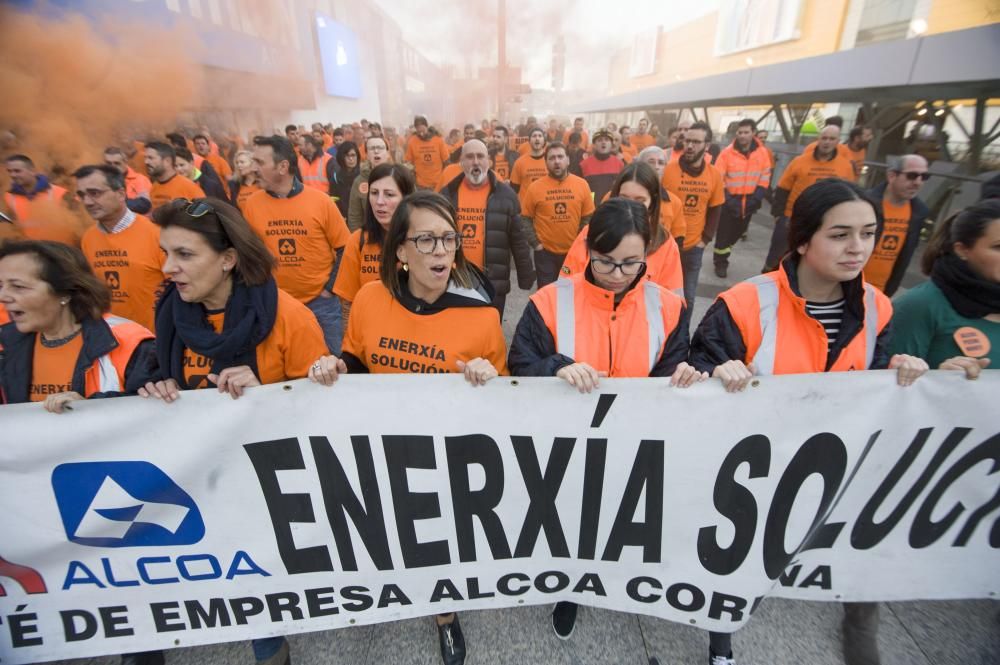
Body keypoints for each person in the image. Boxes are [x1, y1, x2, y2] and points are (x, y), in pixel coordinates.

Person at [689, 178, 928, 665]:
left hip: (829, 469)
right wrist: (718, 370)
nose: (857, 248)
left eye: (867, 233)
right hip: (750, 472)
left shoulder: (879, 307)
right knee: (733, 566)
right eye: (840, 234)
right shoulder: (743, 303)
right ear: (802, 240)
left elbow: (875, 381)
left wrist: (904, 372)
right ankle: (721, 640)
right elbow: (696, 379)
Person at [311, 191, 509, 665]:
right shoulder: (368, 299)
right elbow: (358, 364)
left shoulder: (481, 316)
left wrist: (490, 378)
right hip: (385, 451)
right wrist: (335, 368)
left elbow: (505, 403)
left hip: (448, 459)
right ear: (399, 250)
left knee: (440, 542)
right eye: (426, 240)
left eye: (448, 239)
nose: (442, 251)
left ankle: (445, 615)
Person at [137, 197, 326, 665]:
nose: (168, 267)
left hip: (267, 483)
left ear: (227, 259)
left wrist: (264, 392)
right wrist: (153, 382)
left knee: (257, 573)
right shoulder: (170, 314)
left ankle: (270, 648)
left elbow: (323, 416)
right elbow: (162, 370)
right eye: (165, 253)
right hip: (198, 474)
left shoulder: (288, 316)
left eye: (184, 255)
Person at [0, 239, 156, 412]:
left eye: (18, 287)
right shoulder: (7, 346)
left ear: (65, 292)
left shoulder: (130, 342)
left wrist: (90, 408)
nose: (3, 296)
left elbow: (156, 414)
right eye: (0, 286)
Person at [243, 135, 350, 355]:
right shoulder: (252, 205)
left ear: (283, 166)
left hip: (321, 305)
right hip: (275, 305)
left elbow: (345, 249)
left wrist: (329, 289)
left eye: (260, 162)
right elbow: (249, 255)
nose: (253, 168)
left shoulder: (321, 202)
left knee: (335, 365)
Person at [890, 199, 1000, 371]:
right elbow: (887, 386)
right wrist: (941, 379)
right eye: (998, 247)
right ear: (962, 250)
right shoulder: (921, 305)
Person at [441, 139, 535, 316]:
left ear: (489, 162)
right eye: (469, 157)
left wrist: (526, 275)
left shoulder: (507, 196)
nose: (475, 162)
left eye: (480, 156)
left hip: (492, 282)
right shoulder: (447, 194)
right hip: (455, 281)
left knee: (490, 335)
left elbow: (518, 240)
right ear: (461, 162)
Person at [562, 161, 683, 295]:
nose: (629, 206)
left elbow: (673, 302)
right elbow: (566, 285)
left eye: (640, 200)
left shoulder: (666, 244)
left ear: (653, 202)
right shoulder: (591, 232)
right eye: (624, 198)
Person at [75, 165, 164, 331]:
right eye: (82, 195)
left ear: (121, 194)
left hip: (152, 339)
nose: (87, 202)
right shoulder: (88, 238)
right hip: (110, 338)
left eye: (95, 193)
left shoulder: (156, 234)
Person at [762, 124, 855, 272]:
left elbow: (849, 196)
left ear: (838, 141)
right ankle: (767, 277)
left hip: (825, 222)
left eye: (832, 139)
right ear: (818, 139)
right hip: (791, 218)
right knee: (777, 255)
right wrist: (778, 215)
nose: (827, 142)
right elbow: (782, 188)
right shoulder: (800, 162)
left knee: (809, 259)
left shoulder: (845, 167)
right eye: (824, 138)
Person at [333, 163, 415, 327]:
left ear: (406, 198)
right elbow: (348, 303)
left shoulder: (421, 239)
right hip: (371, 333)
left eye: (389, 195)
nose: (379, 202)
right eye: (374, 193)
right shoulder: (358, 241)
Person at [661, 121, 724, 311]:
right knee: (662, 295)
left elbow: (716, 208)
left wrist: (705, 239)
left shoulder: (714, 175)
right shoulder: (668, 170)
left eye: (696, 142)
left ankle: (683, 339)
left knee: (687, 298)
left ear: (707, 145)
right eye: (687, 140)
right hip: (665, 245)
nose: (689, 146)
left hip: (693, 247)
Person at [521, 142, 595, 288]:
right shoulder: (535, 187)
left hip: (573, 253)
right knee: (547, 295)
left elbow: (588, 216)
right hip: (545, 253)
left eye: (560, 157)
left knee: (572, 292)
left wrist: (579, 244)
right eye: (552, 158)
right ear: (546, 162)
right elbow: (525, 218)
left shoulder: (582, 184)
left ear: (567, 160)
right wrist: (535, 244)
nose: (556, 161)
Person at [712, 118, 772, 278]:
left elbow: (765, 175)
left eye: (746, 132)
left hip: (750, 201)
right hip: (729, 200)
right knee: (723, 234)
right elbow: (718, 177)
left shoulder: (762, 153)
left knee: (738, 232)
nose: (743, 135)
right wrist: (728, 199)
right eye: (740, 132)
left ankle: (724, 251)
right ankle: (720, 262)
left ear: (753, 133)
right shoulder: (727, 153)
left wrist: (758, 196)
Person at [864, 154, 930, 295]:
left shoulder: (919, 212)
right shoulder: (864, 203)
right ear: (892, 176)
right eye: (912, 176)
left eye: (924, 176)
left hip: (880, 293)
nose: (918, 182)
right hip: (846, 286)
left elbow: (905, 256)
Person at [3, 154, 79, 246]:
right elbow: (10, 229)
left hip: (61, 253)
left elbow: (80, 224)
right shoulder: (8, 198)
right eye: (9, 171)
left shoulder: (62, 194)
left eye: (17, 171)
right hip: (28, 253)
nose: (13, 175)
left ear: (32, 171)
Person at [346, 135, 394, 230]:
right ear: (367, 155)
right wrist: (358, 240)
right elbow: (355, 216)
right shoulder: (359, 181)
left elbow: (413, 209)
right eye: (372, 148)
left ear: (388, 153)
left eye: (380, 148)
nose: (376, 151)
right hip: (371, 236)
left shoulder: (400, 176)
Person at [144, 141, 205, 210]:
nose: (146, 162)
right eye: (145, 158)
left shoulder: (189, 188)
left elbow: (206, 216)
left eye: (151, 158)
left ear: (167, 161)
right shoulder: (154, 188)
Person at [580, 128, 625, 204]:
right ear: (594, 145)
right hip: (592, 207)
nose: (603, 142)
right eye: (600, 140)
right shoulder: (584, 164)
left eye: (607, 140)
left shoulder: (620, 164)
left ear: (611, 144)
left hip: (613, 206)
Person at [405, 115, 451, 190]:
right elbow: (408, 162)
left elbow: (446, 161)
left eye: (423, 131)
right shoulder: (412, 141)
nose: (421, 134)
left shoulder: (438, 140)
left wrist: (445, 180)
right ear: (416, 129)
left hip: (437, 184)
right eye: (419, 131)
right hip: (420, 185)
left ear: (427, 126)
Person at [104, 146, 152, 214]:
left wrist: (114, 204)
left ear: (125, 162)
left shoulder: (139, 180)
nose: (112, 167)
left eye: (117, 163)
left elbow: (144, 205)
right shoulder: (102, 181)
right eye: (108, 163)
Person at [510, 126, 548, 206]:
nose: (537, 138)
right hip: (526, 209)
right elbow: (513, 189)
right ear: (529, 141)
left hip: (546, 207)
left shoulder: (550, 161)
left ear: (544, 141)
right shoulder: (520, 162)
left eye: (540, 136)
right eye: (534, 136)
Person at [332, 140, 361, 221]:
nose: (351, 159)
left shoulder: (363, 175)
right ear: (342, 157)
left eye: (353, 155)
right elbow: (334, 198)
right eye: (347, 156)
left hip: (360, 219)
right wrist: (339, 215)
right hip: (343, 218)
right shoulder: (336, 176)